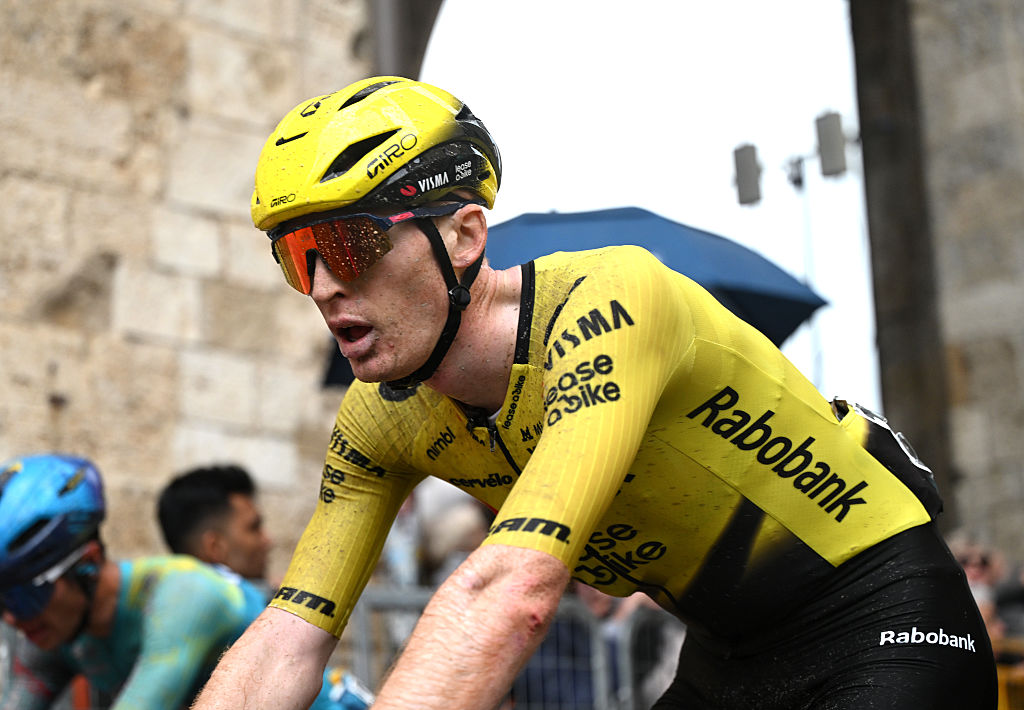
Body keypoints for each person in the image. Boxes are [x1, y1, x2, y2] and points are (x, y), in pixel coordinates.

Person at [193, 76, 997, 710]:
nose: (325, 287)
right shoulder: (379, 419)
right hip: (728, 655)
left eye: (348, 242)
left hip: (886, 616)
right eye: (299, 256)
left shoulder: (611, 302)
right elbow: (287, 638)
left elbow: (511, 591)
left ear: (466, 236)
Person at [0, 454, 254, 710]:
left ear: (88, 563)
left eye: (24, 597)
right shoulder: (53, 628)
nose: (10, 618)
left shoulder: (186, 594)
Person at [155, 465, 373, 710]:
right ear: (215, 546)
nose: (268, 540)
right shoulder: (209, 605)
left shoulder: (233, 602)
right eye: (253, 527)